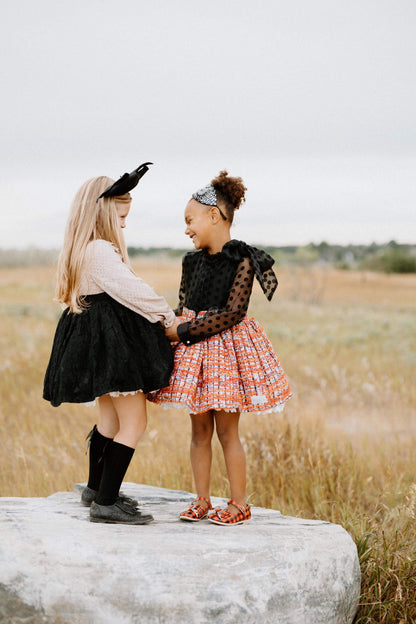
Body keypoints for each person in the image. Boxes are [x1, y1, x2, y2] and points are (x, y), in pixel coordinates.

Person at [148, 170, 292, 526]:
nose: (186, 229)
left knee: (228, 432)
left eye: (189, 220)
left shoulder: (241, 259)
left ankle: (239, 503)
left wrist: (182, 330)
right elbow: (184, 305)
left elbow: (232, 313)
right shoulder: (190, 262)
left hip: (227, 354)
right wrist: (171, 324)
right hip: (196, 354)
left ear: (214, 216)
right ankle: (201, 499)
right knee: (198, 432)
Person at [43, 163, 180, 525]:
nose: (123, 224)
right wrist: (169, 318)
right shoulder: (100, 251)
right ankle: (106, 502)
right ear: (102, 212)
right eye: (120, 216)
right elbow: (135, 292)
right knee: (134, 423)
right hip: (113, 346)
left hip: (96, 345)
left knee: (108, 419)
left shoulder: (82, 250)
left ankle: (95, 488)